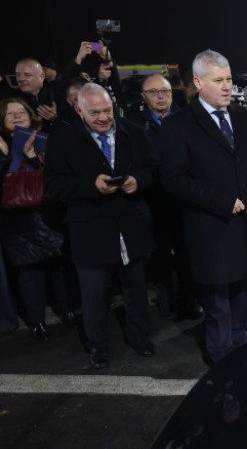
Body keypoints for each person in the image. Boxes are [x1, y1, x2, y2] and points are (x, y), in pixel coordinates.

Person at [160, 50, 247, 363]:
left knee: (243, 292)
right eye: (219, 80)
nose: (227, 86)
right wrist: (221, 201)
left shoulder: (243, 117)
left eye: (228, 79)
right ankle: (221, 358)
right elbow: (174, 179)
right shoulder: (179, 125)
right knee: (217, 300)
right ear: (198, 83)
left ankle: (239, 347)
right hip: (211, 227)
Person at [44, 83, 158, 369]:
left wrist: (139, 181)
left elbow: (154, 169)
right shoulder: (62, 139)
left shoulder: (135, 132)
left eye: (108, 110)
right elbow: (54, 186)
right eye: (95, 113)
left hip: (132, 225)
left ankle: (140, 337)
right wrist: (89, 186)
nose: (104, 118)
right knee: (94, 296)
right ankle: (98, 347)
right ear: (79, 110)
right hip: (90, 230)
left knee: (136, 290)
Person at [128, 74, 202, 321]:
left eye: (165, 91)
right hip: (153, 202)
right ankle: (166, 299)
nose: (160, 96)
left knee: (188, 254)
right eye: (153, 92)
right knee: (159, 257)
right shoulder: (133, 126)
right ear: (144, 97)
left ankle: (190, 300)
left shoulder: (187, 118)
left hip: (184, 201)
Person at [0, 97, 72, 341]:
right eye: (10, 114)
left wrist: (33, 155)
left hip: (47, 212)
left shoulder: (44, 138)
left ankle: (66, 311)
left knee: (56, 265)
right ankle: (37, 322)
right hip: (17, 218)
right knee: (30, 271)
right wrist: (16, 155)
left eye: (22, 112)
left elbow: (57, 172)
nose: (17, 116)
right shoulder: (2, 143)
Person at [14, 59, 58, 129]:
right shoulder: (11, 99)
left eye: (27, 75)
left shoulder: (56, 94)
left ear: (42, 77)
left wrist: (55, 118)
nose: (21, 79)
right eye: (18, 75)